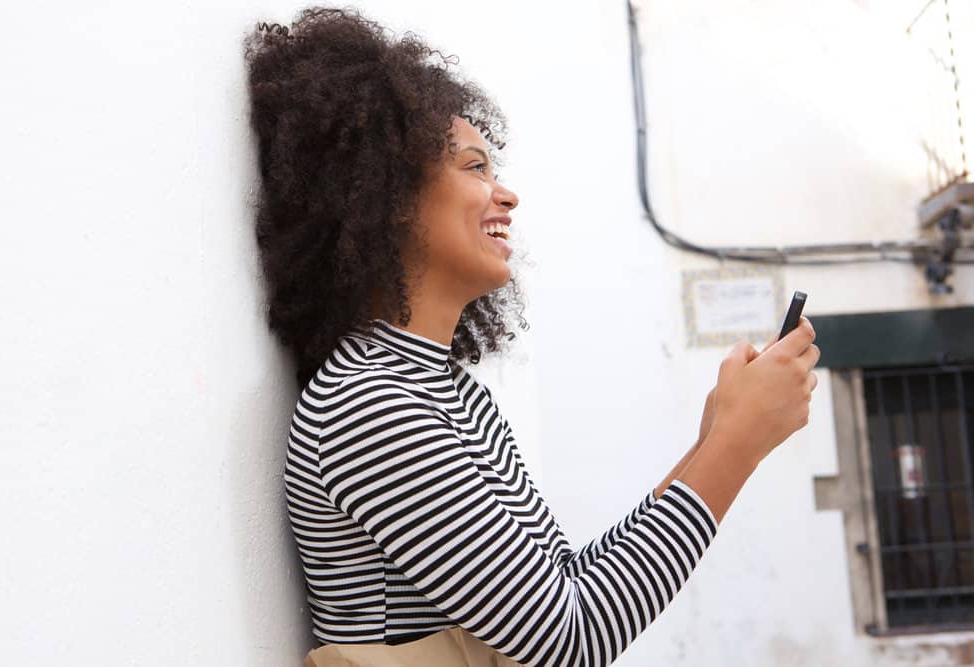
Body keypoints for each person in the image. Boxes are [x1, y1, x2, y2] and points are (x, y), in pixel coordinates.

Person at [244, 7, 820, 666]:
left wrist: (712, 439)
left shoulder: (442, 390)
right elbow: (566, 640)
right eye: (473, 166)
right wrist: (737, 446)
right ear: (388, 194)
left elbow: (565, 588)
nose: (506, 194)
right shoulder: (369, 405)